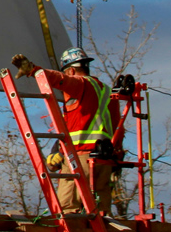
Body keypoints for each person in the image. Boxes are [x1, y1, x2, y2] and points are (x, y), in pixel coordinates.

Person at [11, 47, 123, 214]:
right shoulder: (107, 91)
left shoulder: (81, 84)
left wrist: (34, 70)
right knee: (101, 212)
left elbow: (60, 79)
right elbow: (117, 127)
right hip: (104, 160)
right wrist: (117, 156)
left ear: (71, 70)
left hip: (81, 157)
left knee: (68, 209)